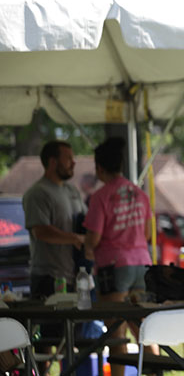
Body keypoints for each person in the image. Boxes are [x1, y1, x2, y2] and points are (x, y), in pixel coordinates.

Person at [83, 137, 153, 376]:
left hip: (114, 266)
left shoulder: (101, 197)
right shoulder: (140, 194)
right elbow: (146, 233)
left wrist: (87, 248)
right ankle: (156, 372)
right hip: (142, 263)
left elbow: (93, 239)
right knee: (146, 328)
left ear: (99, 168)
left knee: (115, 331)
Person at [23, 140, 87, 372]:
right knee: (47, 341)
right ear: (52, 162)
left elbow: (86, 223)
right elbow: (40, 230)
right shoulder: (37, 193)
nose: (73, 163)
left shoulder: (71, 191)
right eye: (68, 158)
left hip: (75, 277)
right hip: (48, 277)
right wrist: (73, 238)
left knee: (74, 340)